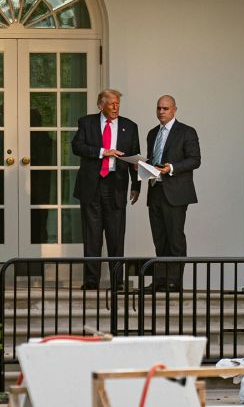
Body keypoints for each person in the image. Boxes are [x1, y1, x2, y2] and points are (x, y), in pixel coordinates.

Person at [72, 88, 141, 290]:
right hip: (92, 185)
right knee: (92, 235)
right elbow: (78, 147)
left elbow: (134, 158)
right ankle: (91, 281)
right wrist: (103, 152)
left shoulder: (129, 126)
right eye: (111, 104)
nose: (115, 107)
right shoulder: (86, 123)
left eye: (118, 103)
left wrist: (136, 185)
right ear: (100, 105)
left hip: (116, 185)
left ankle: (117, 282)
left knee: (116, 235)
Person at [144, 94, 200, 291]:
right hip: (155, 190)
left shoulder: (186, 132)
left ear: (174, 109)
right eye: (159, 108)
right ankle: (160, 280)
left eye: (165, 108)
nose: (161, 111)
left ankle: (173, 282)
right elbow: (153, 159)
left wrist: (172, 167)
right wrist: (142, 166)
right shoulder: (152, 133)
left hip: (175, 193)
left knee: (175, 239)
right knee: (159, 239)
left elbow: (195, 160)